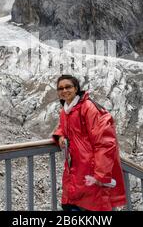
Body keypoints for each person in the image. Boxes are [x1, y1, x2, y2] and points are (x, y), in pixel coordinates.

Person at [52, 75, 126, 211]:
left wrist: (101, 176)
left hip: (90, 170)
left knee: (91, 205)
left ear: (76, 89)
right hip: (74, 170)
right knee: (73, 204)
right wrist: (60, 135)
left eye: (68, 87)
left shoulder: (88, 107)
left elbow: (104, 142)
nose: (64, 90)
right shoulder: (66, 110)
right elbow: (64, 128)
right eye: (60, 88)